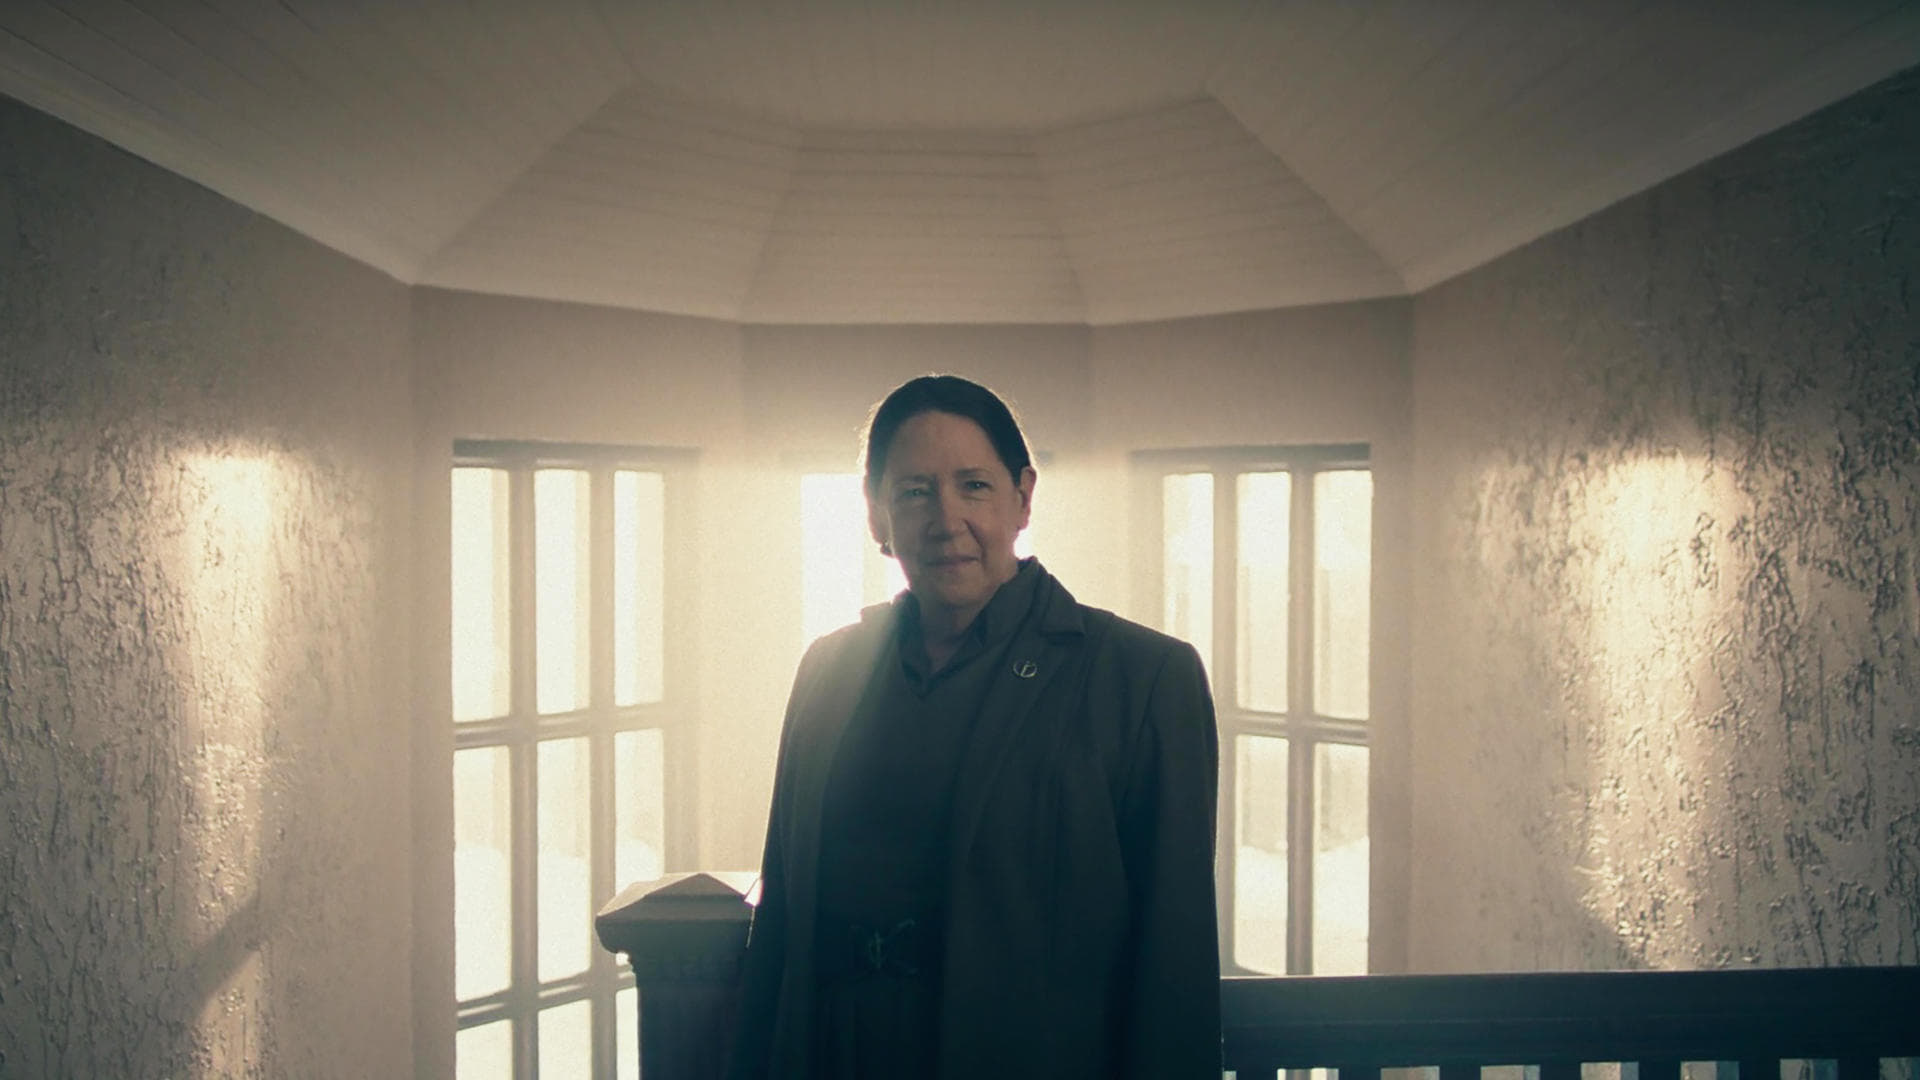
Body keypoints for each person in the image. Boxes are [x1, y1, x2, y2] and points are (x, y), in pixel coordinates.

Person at [730, 374, 1219, 1080]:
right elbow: (778, 919)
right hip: (833, 1050)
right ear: (875, 515)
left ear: (1023, 498)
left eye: (974, 486)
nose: (946, 518)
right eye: (914, 491)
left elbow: (1175, 966)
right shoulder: (827, 670)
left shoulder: (1141, 679)